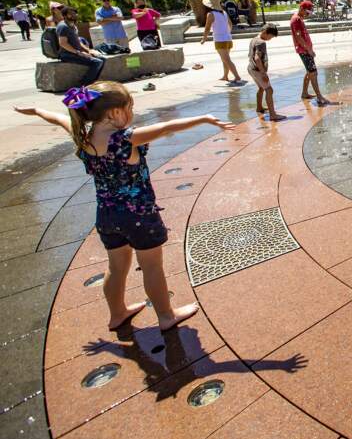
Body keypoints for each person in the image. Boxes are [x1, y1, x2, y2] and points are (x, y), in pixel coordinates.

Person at [13, 82, 233, 332]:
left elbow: (56, 118)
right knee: (151, 267)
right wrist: (205, 118)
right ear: (114, 112)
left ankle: (117, 313)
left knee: (116, 267)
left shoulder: (82, 135)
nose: (132, 112)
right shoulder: (126, 139)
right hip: (139, 215)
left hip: (106, 215)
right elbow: (167, 127)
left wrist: (35, 111)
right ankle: (166, 316)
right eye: (130, 107)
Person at [290, 0, 333, 106]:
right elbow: (298, 37)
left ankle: (304, 93)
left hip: (305, 50)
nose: (308, 15)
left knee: (310, 72)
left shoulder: (298, 18)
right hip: (304, 51)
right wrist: (309, 50)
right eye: (307, 13)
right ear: (302, 9)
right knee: (313, 73)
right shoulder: (296, 20)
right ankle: (319, 97)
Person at [200, 0, 243, 86]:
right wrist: (227, 33)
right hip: (228, 38)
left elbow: (207, 28)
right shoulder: (224, 12)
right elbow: (230, 24)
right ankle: (225, 76)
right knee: (225, 59)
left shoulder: (211, 14)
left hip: (220, 40)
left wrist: (204, 39)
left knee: (226, 59)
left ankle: (237, 76)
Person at [57, 7, 105, 84]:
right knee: (97, 62)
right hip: (67, 55)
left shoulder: (73, 26)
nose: (74, 15)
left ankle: (93, 80)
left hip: (76, 53)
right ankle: (84, 83)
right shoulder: (63, 26)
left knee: (102, 58)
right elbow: (63, 43)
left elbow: (78, 41)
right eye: (71, 13)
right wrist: (78, 52)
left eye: (74, 13)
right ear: (65, 16)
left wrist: (89, 50)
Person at [248, 24, 285, 121]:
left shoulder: (254, 39)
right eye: (271, 37)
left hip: (251, 68)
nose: (270, 39)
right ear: (265, 33)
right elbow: (257, 58)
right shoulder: (261, 43)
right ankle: (273, 115)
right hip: (257, 70)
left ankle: (259, 108)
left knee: (261, 88)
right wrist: (263, 73)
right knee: (269, 90)